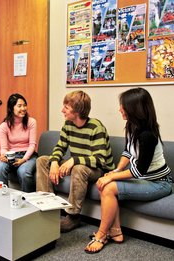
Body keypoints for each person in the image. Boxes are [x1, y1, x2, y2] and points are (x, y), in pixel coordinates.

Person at [85, 88, 172, 254]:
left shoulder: (148, 135)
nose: (120, 109)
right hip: (144, 179)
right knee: (107, 182)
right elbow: (127, 152)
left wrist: (113, 177)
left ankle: (101, 235)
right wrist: (115, 171)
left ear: (134, 109)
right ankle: (116, 232)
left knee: (109, 186)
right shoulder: (132, 126)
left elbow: (139, 171)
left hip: (159, 183)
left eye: (123, 106)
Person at [36, 90, 115, 232]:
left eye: (66, 107)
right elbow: (60, 147)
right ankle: (47, 207)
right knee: (42, 160)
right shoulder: (68, 124)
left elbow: (100, 160)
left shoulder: (96, 128)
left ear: (77, 110)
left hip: (98, 170)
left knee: (79, 168)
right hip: (78, 164)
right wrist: (54, 162)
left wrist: (74, 160)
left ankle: (73, 216)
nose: (62, 110)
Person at [0, 93, 37, 192]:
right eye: (19, 106)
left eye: (24, 105)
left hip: (29, 156)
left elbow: (32, 145)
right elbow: (4, 148)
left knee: (23, 172)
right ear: (11, 108)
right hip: (12, 156)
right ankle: (2, 198)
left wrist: (24, 159)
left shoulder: (31, 122)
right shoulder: (4, 126)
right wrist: (4, 156)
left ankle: (28, 200)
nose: (23, 108)